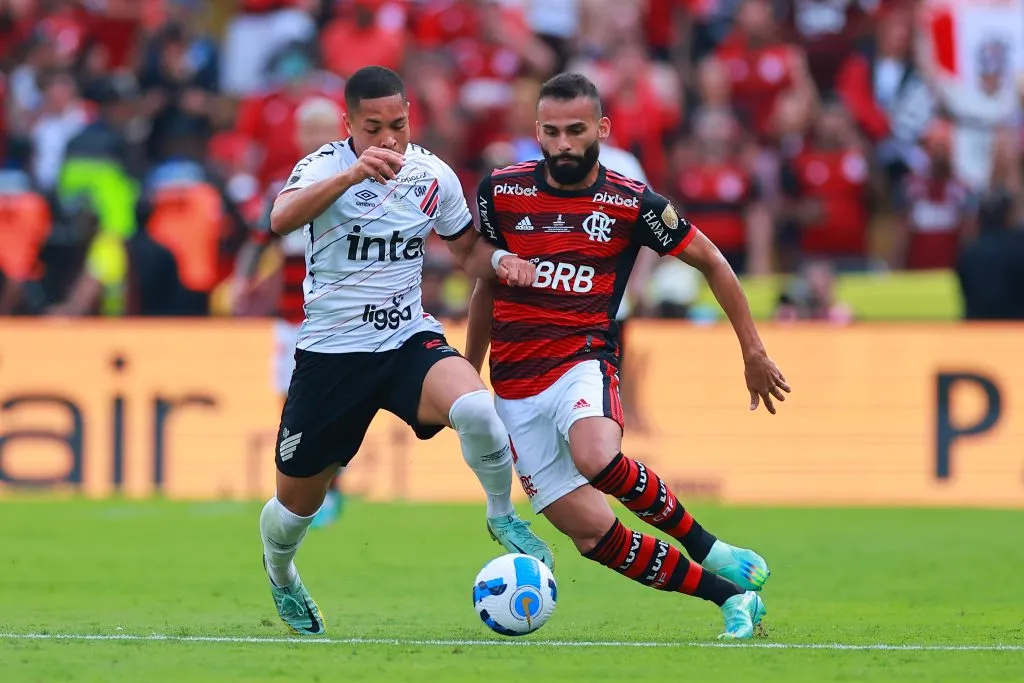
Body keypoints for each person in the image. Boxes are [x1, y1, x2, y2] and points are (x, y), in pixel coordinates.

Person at [466, 73, 791, 639]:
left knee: (597, 455)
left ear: (602, 129)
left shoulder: (630, 202)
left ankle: (709, 547)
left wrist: (753, 350)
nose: (563, 144)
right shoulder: (501, 191)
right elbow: (484, 286)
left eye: (576, 130)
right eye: (551, 132)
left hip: (580, 359)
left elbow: (713, 261)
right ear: (536, 131)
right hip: (514, 384)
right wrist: (469, 377)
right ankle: (731, 598)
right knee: (592, 534)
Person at [259, 66, 553, 636]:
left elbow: (467, 249)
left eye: (399, 124)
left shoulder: (429, 174)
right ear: (348, 125)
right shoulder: (322, 166)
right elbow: (279, 219)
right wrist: (350, 177)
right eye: (374, 128)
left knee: (476, 407)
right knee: (295, 506)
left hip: (404, 338)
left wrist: (501, 263)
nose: (389, 139)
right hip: (332, 354)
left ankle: (502, 515)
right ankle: (282, 573)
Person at [232, 97, 349, 529]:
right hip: (290, 318)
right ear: (298, 136)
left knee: (335, 407)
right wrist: (242, 282)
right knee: (292, 407)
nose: (317, 137)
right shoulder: (282, 188)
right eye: (309, 129)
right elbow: (260, 241)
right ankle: (305, 493)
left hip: (338, 317)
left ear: (339, 132)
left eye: (324, 129)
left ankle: (331, 491)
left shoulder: (353, 183)